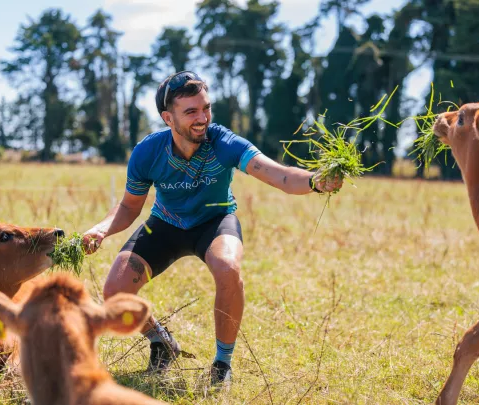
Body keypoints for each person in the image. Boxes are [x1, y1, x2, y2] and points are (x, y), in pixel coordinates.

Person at [83, 71, 343, 386]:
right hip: (165, 224)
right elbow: (128, 208)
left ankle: (222, 365)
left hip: (215, 222)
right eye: (191, 111)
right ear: (168, 118)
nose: (202, 118)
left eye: (206, 108)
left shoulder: (225, 143)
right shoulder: (147, 152)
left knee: (227, 266)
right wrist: (100, 230)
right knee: (114, 291)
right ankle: (161, 341)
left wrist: (316, 181)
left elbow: (283, 177)